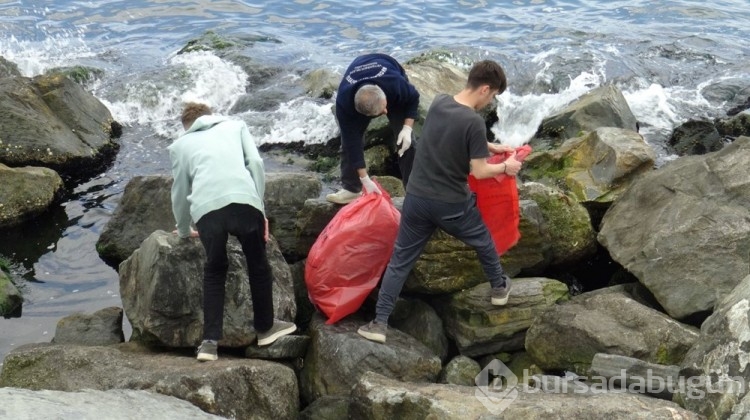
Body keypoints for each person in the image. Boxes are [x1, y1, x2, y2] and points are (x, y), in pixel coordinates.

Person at [357, 60, 522, 344]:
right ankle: (498, 288)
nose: (490, 101)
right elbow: (479, 171)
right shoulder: (473, 121)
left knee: (400, 261)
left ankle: (378, 323)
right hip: (450, 205)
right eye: (493, 95)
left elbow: (450, 138)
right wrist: (506, 168)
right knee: (483, 239)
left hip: (417, 197)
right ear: (485, 89)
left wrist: (489, 146)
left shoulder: (439, 103)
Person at [169, 102, 296, 361]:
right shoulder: (236, 126)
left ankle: (209, 343)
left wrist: (183, 230)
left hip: (207, 210)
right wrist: (259, 208)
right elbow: (256, 164)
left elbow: (180, 191)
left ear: (187, 127)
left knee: (215, 270)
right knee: (258, 264)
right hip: (244, 201)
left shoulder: (180, 146)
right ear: (211, 116)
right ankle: (265, 329)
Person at [326, 53, 421, 204]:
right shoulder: (345, 105)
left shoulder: (394, 84)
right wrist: (365, 180)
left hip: (386, 66)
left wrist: (407, 128)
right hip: (359, 93)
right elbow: (352, 144)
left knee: (406, 143)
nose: (385, 113)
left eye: (385, 107)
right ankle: (351, 189)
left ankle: (414, 192)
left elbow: (413, 97)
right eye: (380, 113)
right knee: (347, 143)